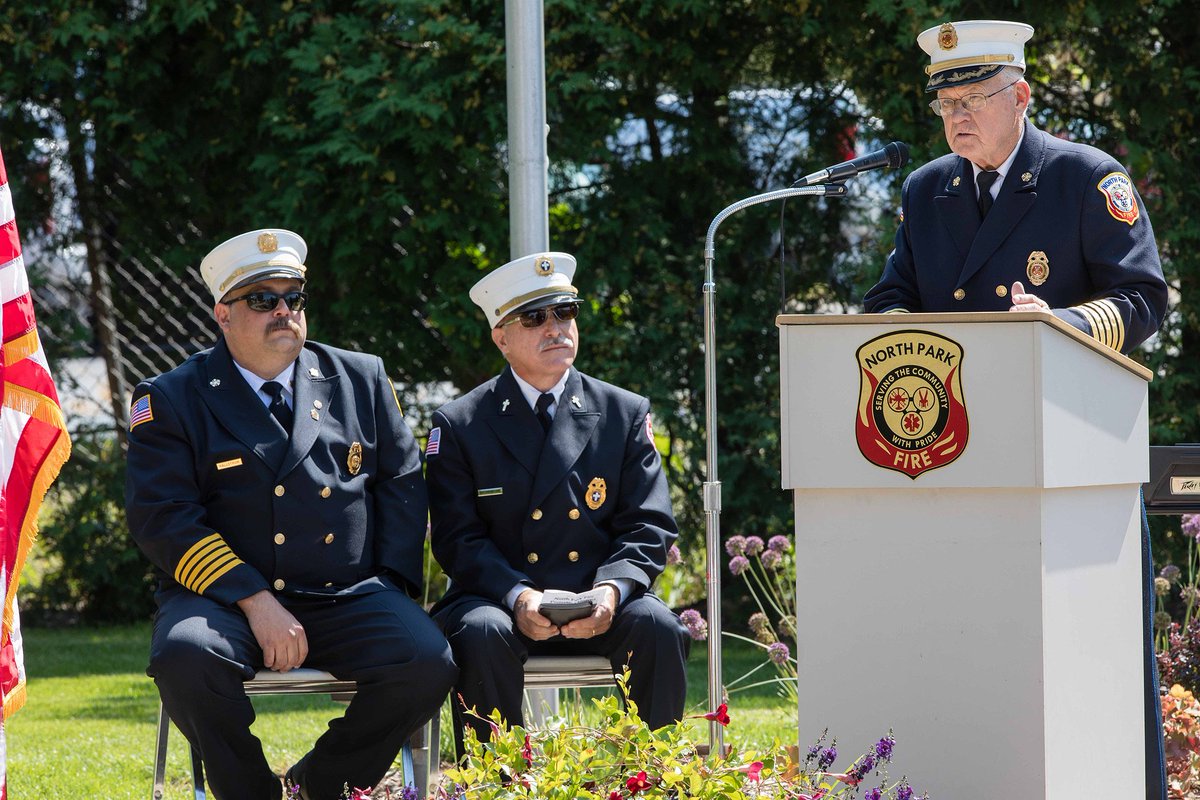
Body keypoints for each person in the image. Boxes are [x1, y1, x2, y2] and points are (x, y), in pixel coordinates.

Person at [863, 21, 1168, 799]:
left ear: (1022, 95)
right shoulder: (926, 189)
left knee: (1090, 659)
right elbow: (898, 293)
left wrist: (1057, 327)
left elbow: (1144, 298)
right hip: (956, 460)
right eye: (946, 103)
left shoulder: (1084, 178)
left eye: (974, 98)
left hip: (1070, 456)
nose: (958, 116)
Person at [125, 229, 456, 800]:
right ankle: (250, 792)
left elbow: (401, 486)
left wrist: (392, 588)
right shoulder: (173, 396)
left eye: (294, 298)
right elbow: (163, 515)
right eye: (263, 299)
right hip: (225, 600)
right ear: (222, 314)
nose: (284, 311)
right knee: (184, 658)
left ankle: (319, 786)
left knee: (426, 660)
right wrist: (255, 601)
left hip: (345, 592)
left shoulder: (360, 378)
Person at [424, 251, 689, 753]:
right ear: (500, 337)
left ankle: (654, 777)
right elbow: (459, 539)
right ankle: (494, 784)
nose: (555, 328)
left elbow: (649, 525)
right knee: (479, 633)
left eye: (565, 312)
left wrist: (611, 592)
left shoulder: (623, 412)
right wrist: (519, 597)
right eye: (534, 317)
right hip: (499, 598)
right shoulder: (460, 424)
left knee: (657, 626)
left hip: (598, 594)